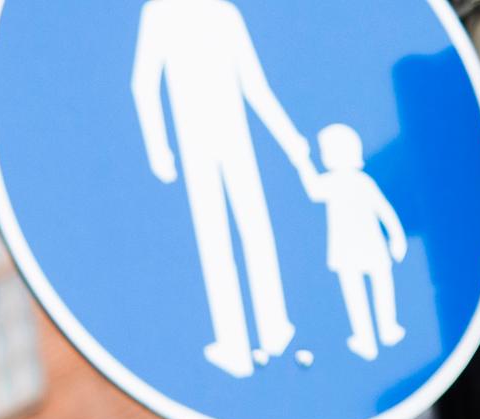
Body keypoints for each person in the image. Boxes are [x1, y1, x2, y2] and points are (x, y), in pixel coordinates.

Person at [130, 0, 317, 378]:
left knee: (241, 231)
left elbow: (254, 86)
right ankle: (250, 338)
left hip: (222, 137)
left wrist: (291, 139)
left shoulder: (216, 13)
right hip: (201, 140)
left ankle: (265, 333)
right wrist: (158, 148)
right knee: (228, 234)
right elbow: (144, 83)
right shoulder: (166, 13)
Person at [306, 124, 408, 361]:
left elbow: (384, 210)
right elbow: (313, 191)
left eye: (326, 150)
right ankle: (368, 337)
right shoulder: (338, 182)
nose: (324, 155)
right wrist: (303, 164)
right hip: (353, 248)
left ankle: (385, 329)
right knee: (358, 291)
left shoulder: (359, 182)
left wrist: (397, 237)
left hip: (362, 246)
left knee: (375, 286)